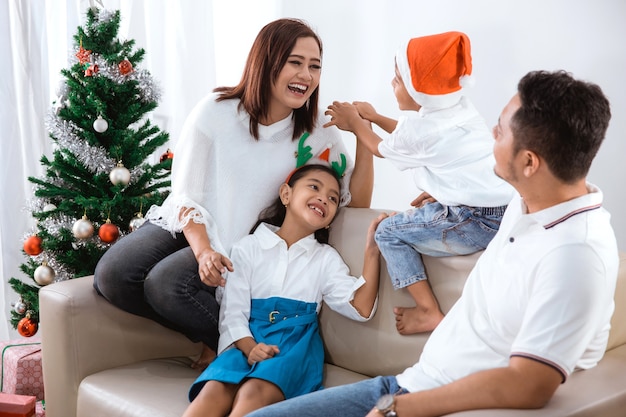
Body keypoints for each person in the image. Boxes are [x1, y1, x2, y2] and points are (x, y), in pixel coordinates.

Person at [246, 70, 618, 417]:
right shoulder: (528, 203)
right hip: (411, 382)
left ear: (530, 162)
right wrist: (447, 194)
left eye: (501, 131)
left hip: (425, 401)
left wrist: (398, 409)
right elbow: (457, 166)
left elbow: (530, 383)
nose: (491, 134)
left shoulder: (574, 257)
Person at [93, 18, 374, 369]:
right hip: (189, 224)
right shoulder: (216, 111)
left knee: (165, 284)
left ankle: (228, 344)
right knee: (113, 275)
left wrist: (363, 135)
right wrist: (203, 250)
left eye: (315, 66)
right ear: (267, 61)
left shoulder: (316, 134)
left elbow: (354, 202)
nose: (306, 75)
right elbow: (185, 196)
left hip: (235, 244)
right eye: (295, 62)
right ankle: (217, 336)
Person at [324, 31, 514, 334]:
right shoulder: (458, 108)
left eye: (398, 80)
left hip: (475, 219)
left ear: (418, 89)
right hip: (505, 209)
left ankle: (427, 310)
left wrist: (356, 123)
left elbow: (380, 148)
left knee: (387, 233)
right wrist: (375, 116)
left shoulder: (423, 130)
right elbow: (412, 138)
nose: (392, 84)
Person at [182, 163, 386, 417]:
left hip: (293, 346)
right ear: (286, 194)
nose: (324, 198)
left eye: (333, 198)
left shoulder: (326, 259)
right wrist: (248, 346)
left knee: (254, 392)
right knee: (213, 390)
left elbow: (361, 307)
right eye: (314, 187)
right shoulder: (248, 247)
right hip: (245, 340)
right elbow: (233, 311)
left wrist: (372, 253)